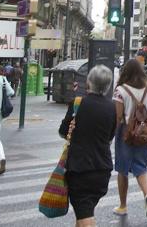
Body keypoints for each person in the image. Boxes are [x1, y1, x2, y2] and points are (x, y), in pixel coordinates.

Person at [59, 65, 116, 227]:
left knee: (84, 213)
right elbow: (110, 137)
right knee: (84, 213)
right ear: (107, 85)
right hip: (102, 170)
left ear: (89, 82)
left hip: (80, 169)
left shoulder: (78, 104)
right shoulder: (112, 107)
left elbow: (63, 132)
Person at [112, 59, 147, 220]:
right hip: (144, 132)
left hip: (126, 133)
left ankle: (123, 205)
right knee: (141, 167)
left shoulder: (120, 90)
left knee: (122, 169)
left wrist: (111, 135)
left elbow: (118, 117)